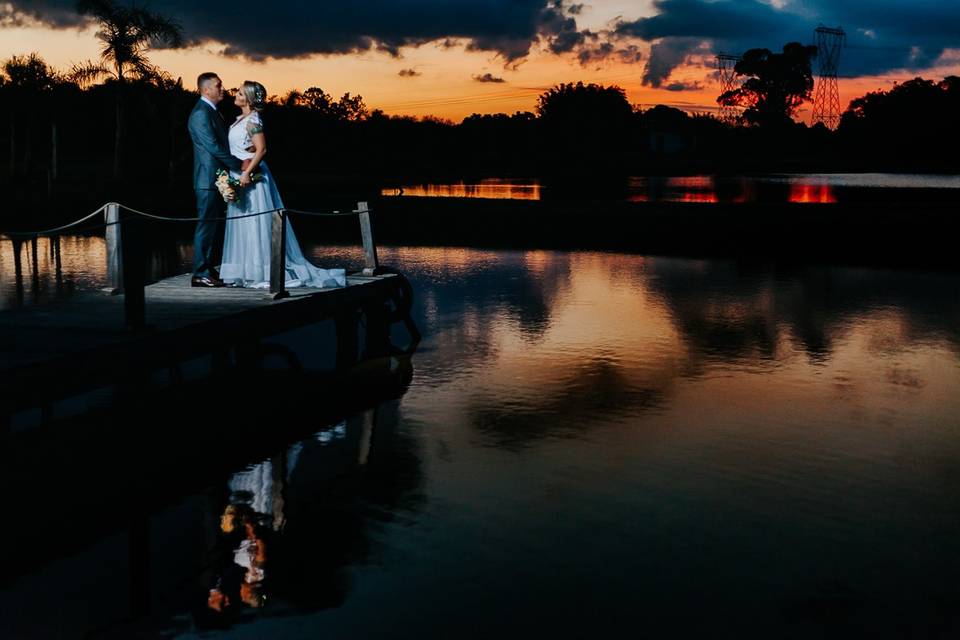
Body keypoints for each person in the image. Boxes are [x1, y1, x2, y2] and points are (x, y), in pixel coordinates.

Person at [219, 81, 346, 289]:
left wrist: (247, 173)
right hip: (238, 174)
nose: (236, 94)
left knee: (255, 223)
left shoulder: (253, 120)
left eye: (241, 93)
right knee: (243, 223)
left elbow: (261, 149)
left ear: (249, 99)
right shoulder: (240, 120)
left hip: (251, 176)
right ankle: (245, 271)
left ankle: (262, 271)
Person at [187, 72, 244, 288]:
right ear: (206, 90)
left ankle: (208, 269)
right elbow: (213, 146)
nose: (223, 89)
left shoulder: (213, 112)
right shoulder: (201, 113)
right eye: (218, 86)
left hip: (216, 179)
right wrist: (238, 165)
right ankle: (199, 273)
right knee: (206, 226)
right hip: (207, 180)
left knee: (212, 226)